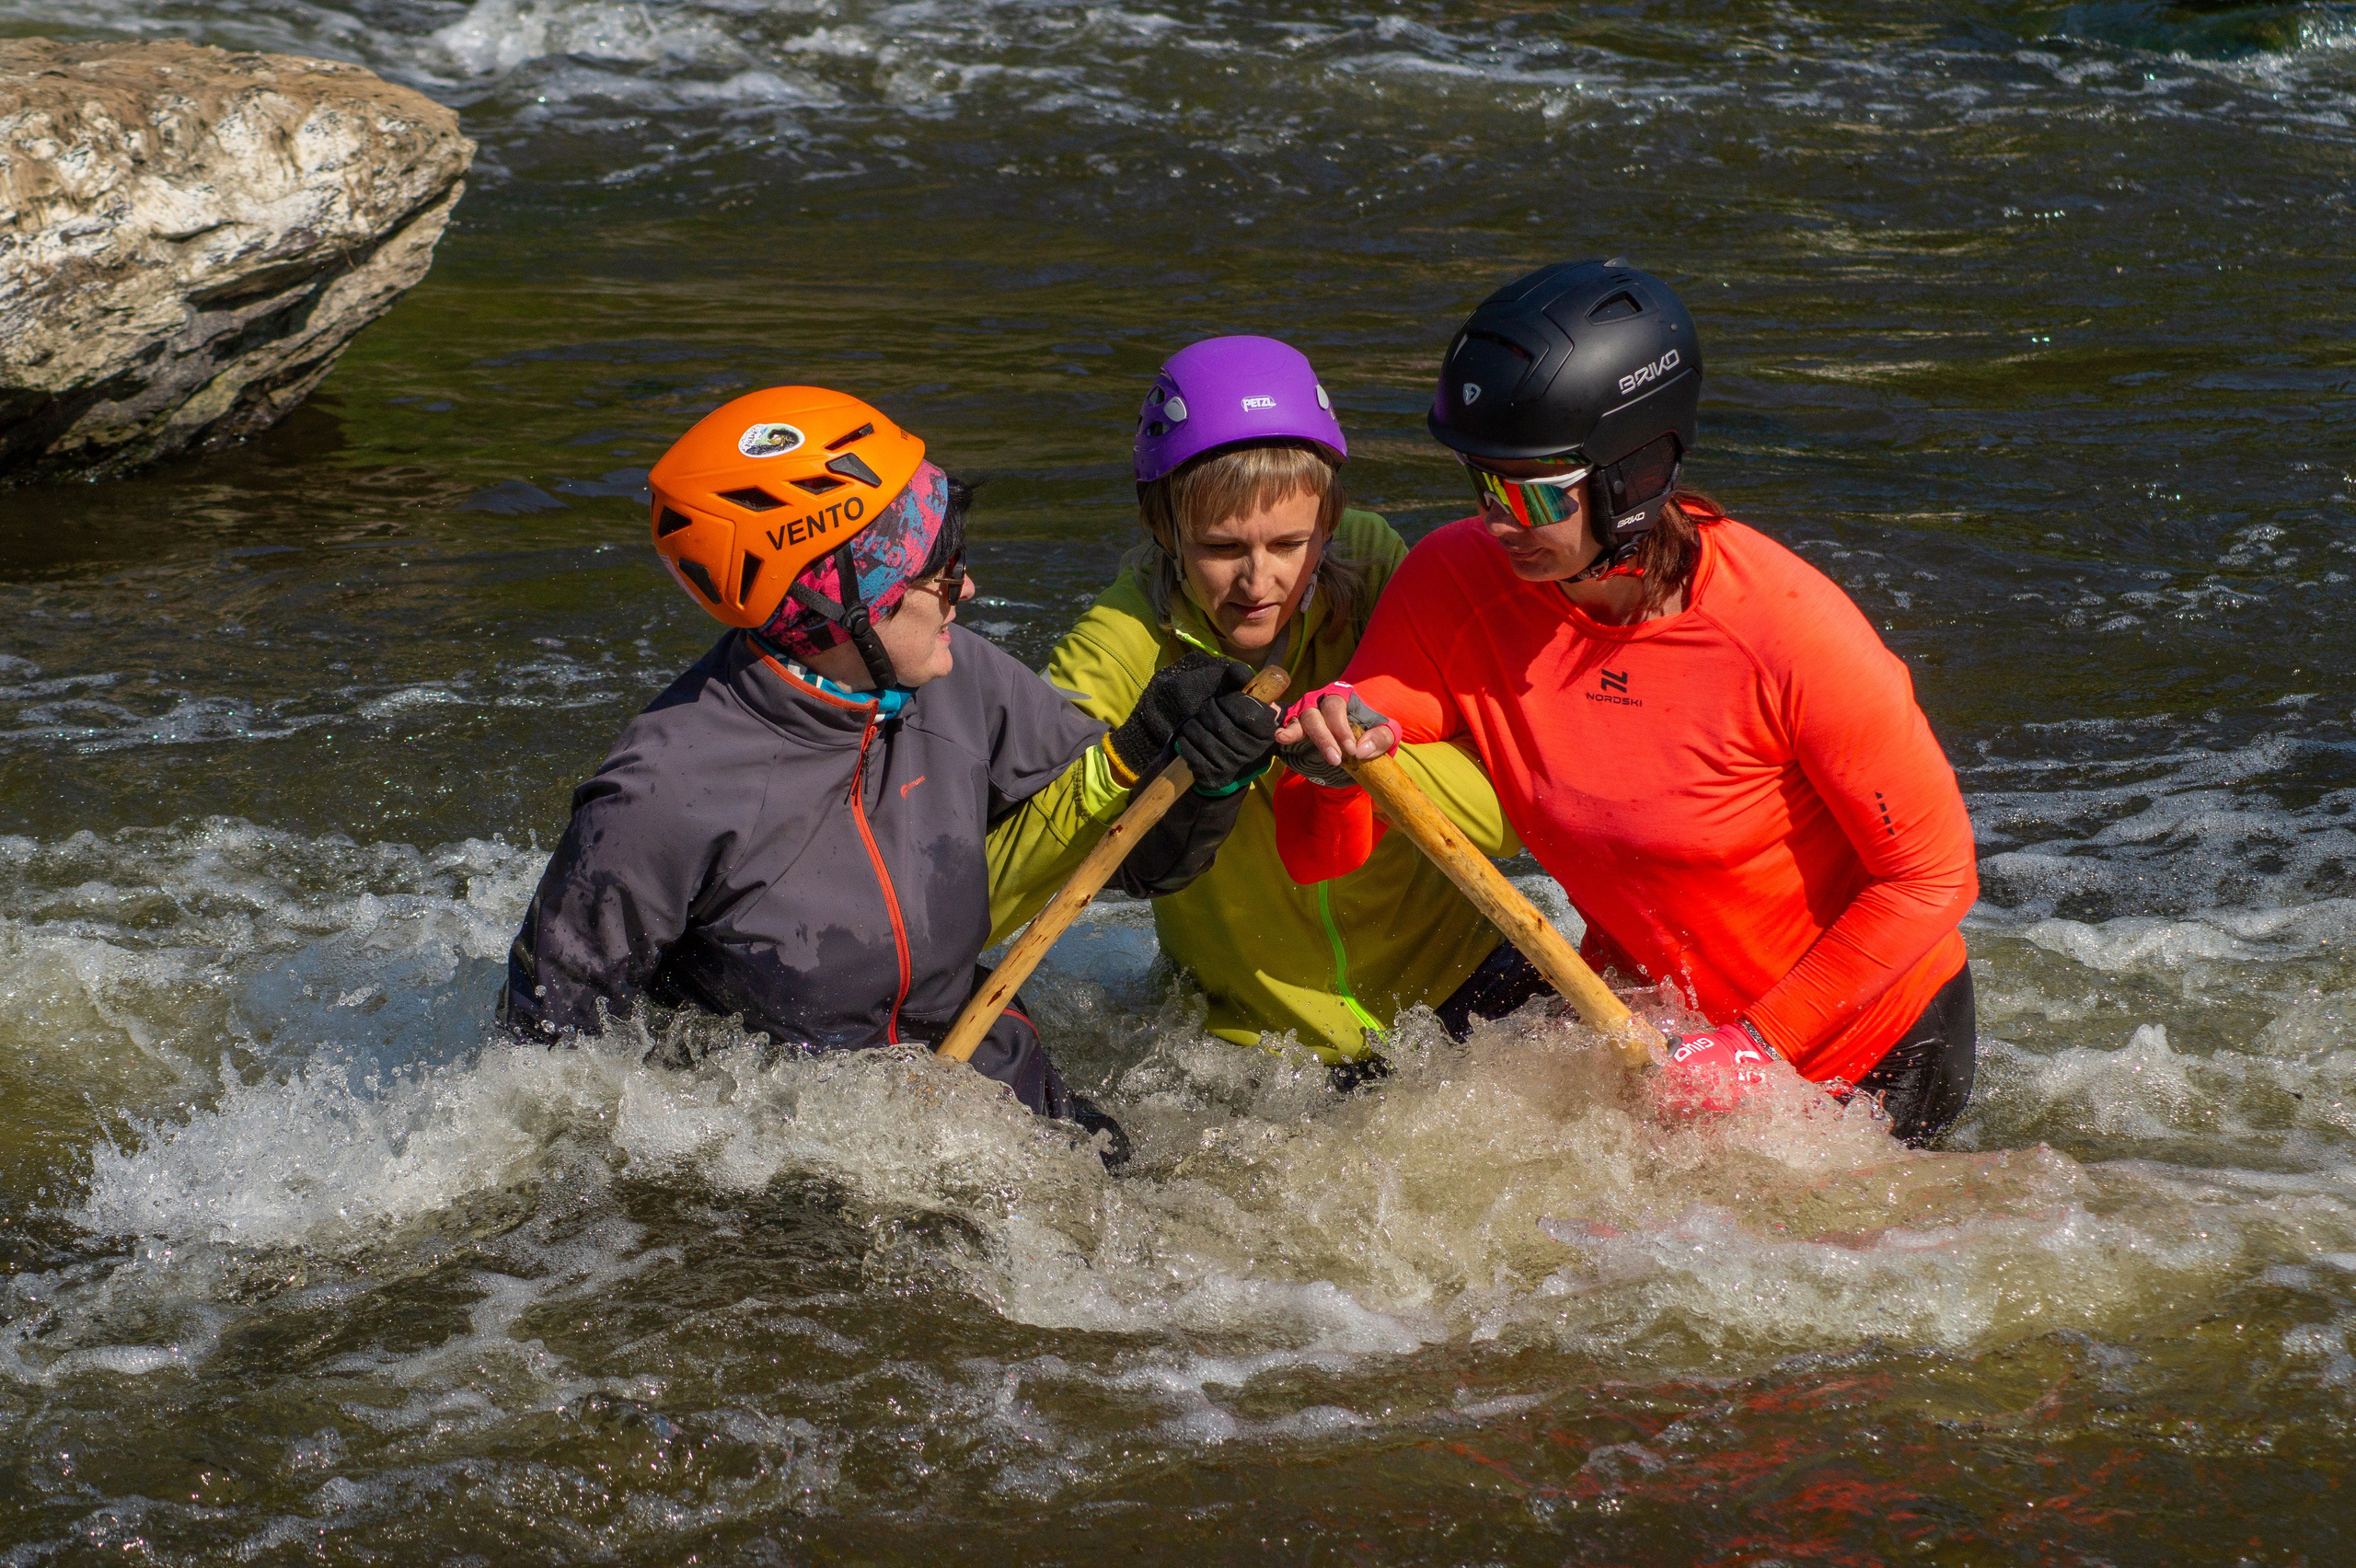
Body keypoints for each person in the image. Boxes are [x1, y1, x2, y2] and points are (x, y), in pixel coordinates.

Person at [1271, 261, 1981, 1145]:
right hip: (1657, 1021)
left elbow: (1933, 877)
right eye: (1479, 483)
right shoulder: (1456, 586)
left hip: (1866, 1046)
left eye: (1529, 491)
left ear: (1633, 473)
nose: (1496, 521)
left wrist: (1758, 1045)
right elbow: (1316, 857)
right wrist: (1329, 770)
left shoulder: (1789, 633)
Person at [502, 386, 1281, 1159]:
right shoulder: (660, 793)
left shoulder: (959, 675)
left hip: (995, 1092)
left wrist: (1194, 769)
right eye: (939, 571)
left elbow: (1143, 865)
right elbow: (543, 1067)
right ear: (842, 599)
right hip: (796, 1166)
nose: (966, 589)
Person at [988, 336, 1530, 1082]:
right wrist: (1134, 757)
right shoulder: (1115, 648)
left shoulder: (1377, 571)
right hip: (1262, 1058)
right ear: (1161, 526)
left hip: (1464, 981)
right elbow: (986, 892)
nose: (1258, 581)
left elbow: (1516, 793)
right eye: (1220, 547)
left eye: (1290, 543)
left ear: (1330, 522)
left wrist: (1369, 759)